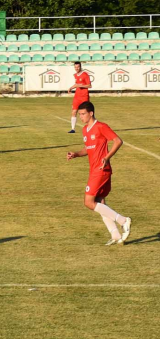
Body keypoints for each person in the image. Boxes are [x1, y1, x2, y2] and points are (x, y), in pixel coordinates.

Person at [66, 101, 132, 245]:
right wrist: (76, 154)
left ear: (91, 113)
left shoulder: (101, 127)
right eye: (79, 114)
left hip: (101, 170)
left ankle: (123, 220)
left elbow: (118, 141)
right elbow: (88, 149)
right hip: (94, 170)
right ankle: (115, 235)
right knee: (100, 201)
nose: (81, 117)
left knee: (88, 202)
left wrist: (107, 158)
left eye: (83, 114)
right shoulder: (85, 130)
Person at [68, 61, 92, 134]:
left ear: (80, 67)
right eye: (75, 67)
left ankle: (91, 126)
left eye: (78, 67)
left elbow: (89, 85)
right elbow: (76, 84)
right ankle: (73, 129)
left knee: (87, 112)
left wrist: (80, 85)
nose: (76, 68)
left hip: (84, 96)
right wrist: (71, 88)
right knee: (74, 112)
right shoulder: (75, 75)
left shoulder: (85, 74)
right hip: (77, 97)